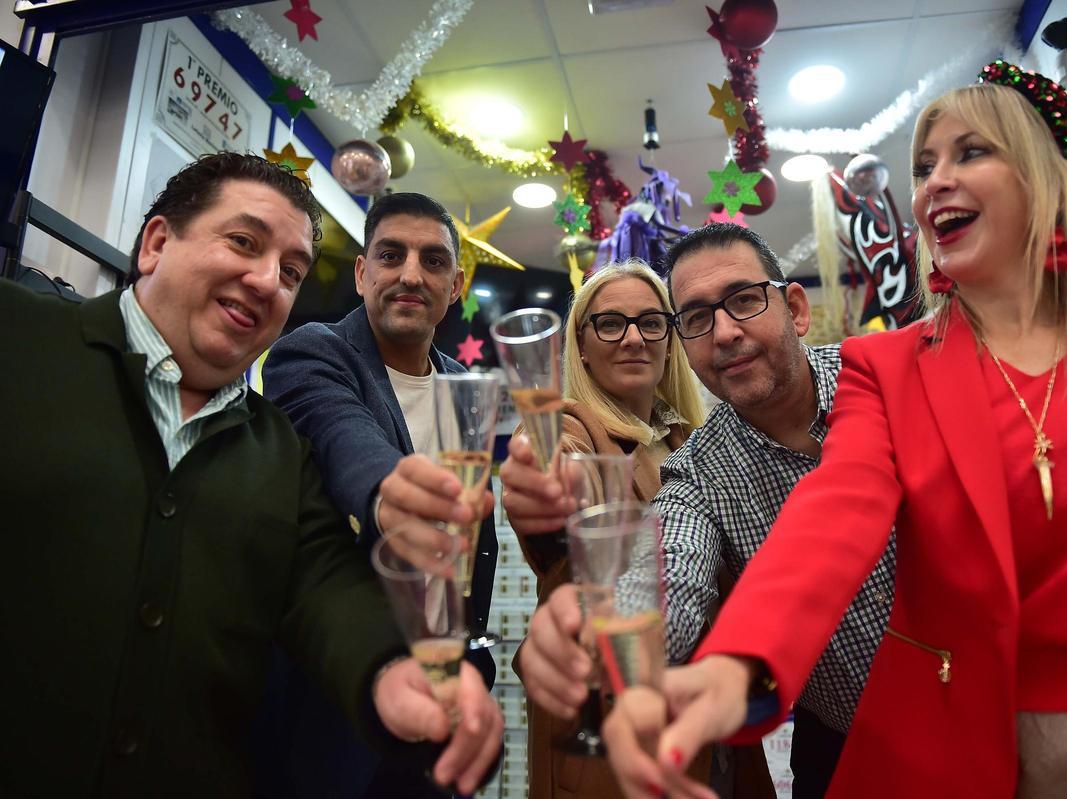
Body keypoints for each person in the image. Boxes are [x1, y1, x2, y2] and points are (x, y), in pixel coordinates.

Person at [602, 61, 1067, 799]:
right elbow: (818, 523)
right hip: (922, 751)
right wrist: (695, 658)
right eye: (923, 166)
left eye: (970, 153)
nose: (933, 182)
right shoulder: (886, 375)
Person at [0, 152, 502, 798]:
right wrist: (387, 494)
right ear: (156, 242)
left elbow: (321, 581)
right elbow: (347, 437)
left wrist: (387, 669)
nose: (268, 281)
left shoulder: (274, 451)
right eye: (244, 242)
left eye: (291, 272)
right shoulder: (18, 338)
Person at [516, 224, 896, 797]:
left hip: (996, 713)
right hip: (841, 751)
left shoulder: (882, 380)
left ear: (795, 308)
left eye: (744, 301)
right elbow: (669, 570)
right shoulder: (698, 469)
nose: (723, 333)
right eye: (696, 317)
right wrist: (607, 639)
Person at [260, 191, 499, 797]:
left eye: (434, 260)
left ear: (456, 285)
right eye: (391, 255)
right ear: (364, 273)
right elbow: (345, 436)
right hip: (338, 718)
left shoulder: (463, 388)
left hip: (447, 704)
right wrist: (390, 494)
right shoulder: (314, 352)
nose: (411, 274)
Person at [499, 259, 711, 799]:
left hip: (704, 724)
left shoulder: (695, 442)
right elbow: (559, 460)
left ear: (670, 339)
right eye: (611, 323)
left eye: (650, 322)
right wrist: (551, 481)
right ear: (582, 347)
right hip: (605, 736)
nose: (634, 338)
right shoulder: (575, 426)